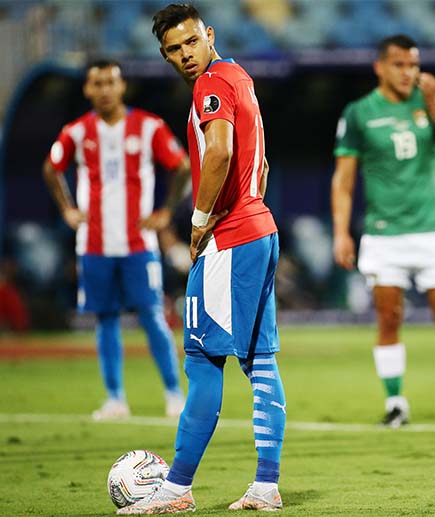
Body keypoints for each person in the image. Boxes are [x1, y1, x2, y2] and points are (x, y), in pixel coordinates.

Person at [118, 4, 286, 513]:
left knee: (203, 360)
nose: (186, 55)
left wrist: (199, 222)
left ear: (208, 35)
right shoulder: (239, 76)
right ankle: (265, 485)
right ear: (165, 54)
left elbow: (218, 152)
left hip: (230, 238)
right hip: (260, 228)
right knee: (260, 361)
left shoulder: (210, 84)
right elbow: (263, 159)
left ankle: (175, 490)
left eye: (192, 42)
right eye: (174, 49)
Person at [331, 34, 435, 427]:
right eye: (399, 64)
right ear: (380, 67)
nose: (408, 72)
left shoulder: (430, 102)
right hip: (383, 235)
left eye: (413, 64)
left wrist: (433, 103)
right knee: (388, 319)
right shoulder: (360, 112)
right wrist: (341, 232)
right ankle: (396, 403)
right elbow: (343, 180)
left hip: (432, 230)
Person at [43, 58, 189, 420]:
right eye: (97, 83)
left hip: (139, 244)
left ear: (122, 86)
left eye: (111, 82)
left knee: (152, 314)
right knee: (105, 318)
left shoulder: (148, 127)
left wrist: (167, 211)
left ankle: (174, 394)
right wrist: (67, 209)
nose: (105, 90)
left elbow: (182, 165)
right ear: (87, 89)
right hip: (93, 245)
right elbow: (51, 167)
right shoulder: (77, 132)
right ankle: (115, 399)